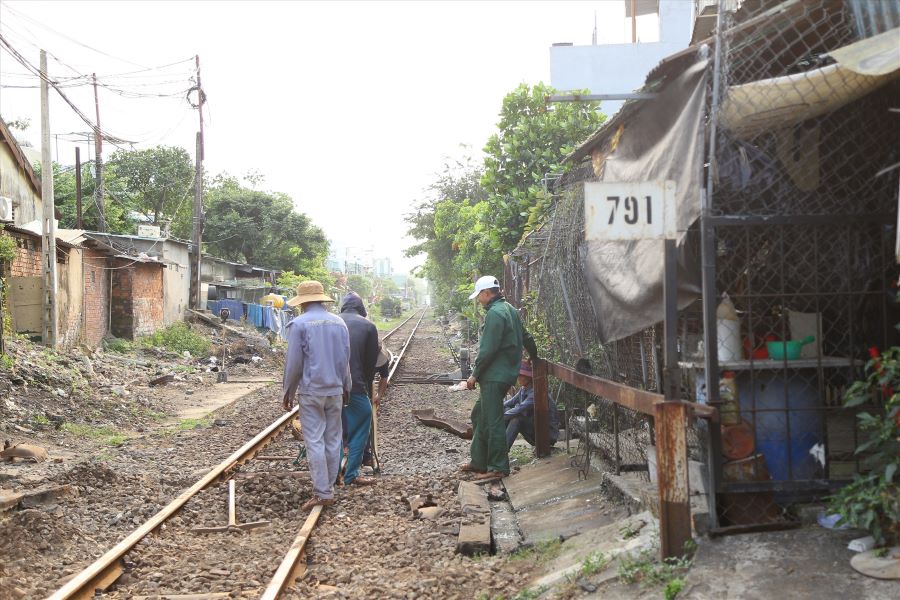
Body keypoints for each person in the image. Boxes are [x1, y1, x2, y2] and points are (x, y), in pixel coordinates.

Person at [282, 280, 351, 511]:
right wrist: (347, 387)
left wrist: (288, 391)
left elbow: (294, 364)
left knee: (314, 440)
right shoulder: (339, 323)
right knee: (333, 440)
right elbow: (345, 360)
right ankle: (328, 486)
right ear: (321, 299)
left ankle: (323, 492)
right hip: (335, 391)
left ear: (302, 303)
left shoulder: (299, 324)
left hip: (312, 392)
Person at [462, 275, 538, 478]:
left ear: (487, 293)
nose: (479, 300)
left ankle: (497, 467)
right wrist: (534, 355)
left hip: (494, 376)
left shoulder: (495, 313)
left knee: (493, 420)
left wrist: (474, 375)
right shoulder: (510, 310)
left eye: (480, 295)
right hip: (505, 375)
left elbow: (488, 349)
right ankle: (479, 461)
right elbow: (527, 336)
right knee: (479, 414)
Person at [337, 292, 384, 486]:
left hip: (329, 388)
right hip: (355, 386)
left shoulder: (333, 321)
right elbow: (370, 364)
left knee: (336, 430)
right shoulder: (368, 326)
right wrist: (364, 385)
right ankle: (352, 474)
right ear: (361, 307)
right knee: (361, 425)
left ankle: (334, 473)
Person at [504, 359, 559, 450]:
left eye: (521, 376)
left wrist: (500, 416)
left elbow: (520, 409)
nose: (518, 378)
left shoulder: (535, 392)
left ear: (528, 377)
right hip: (534, 428)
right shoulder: (524, 389)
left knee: (517, 419)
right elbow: (509, 402)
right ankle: (497, 446)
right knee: (505, 409)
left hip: (545, 435)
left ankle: (501, 453)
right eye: (518, 375)